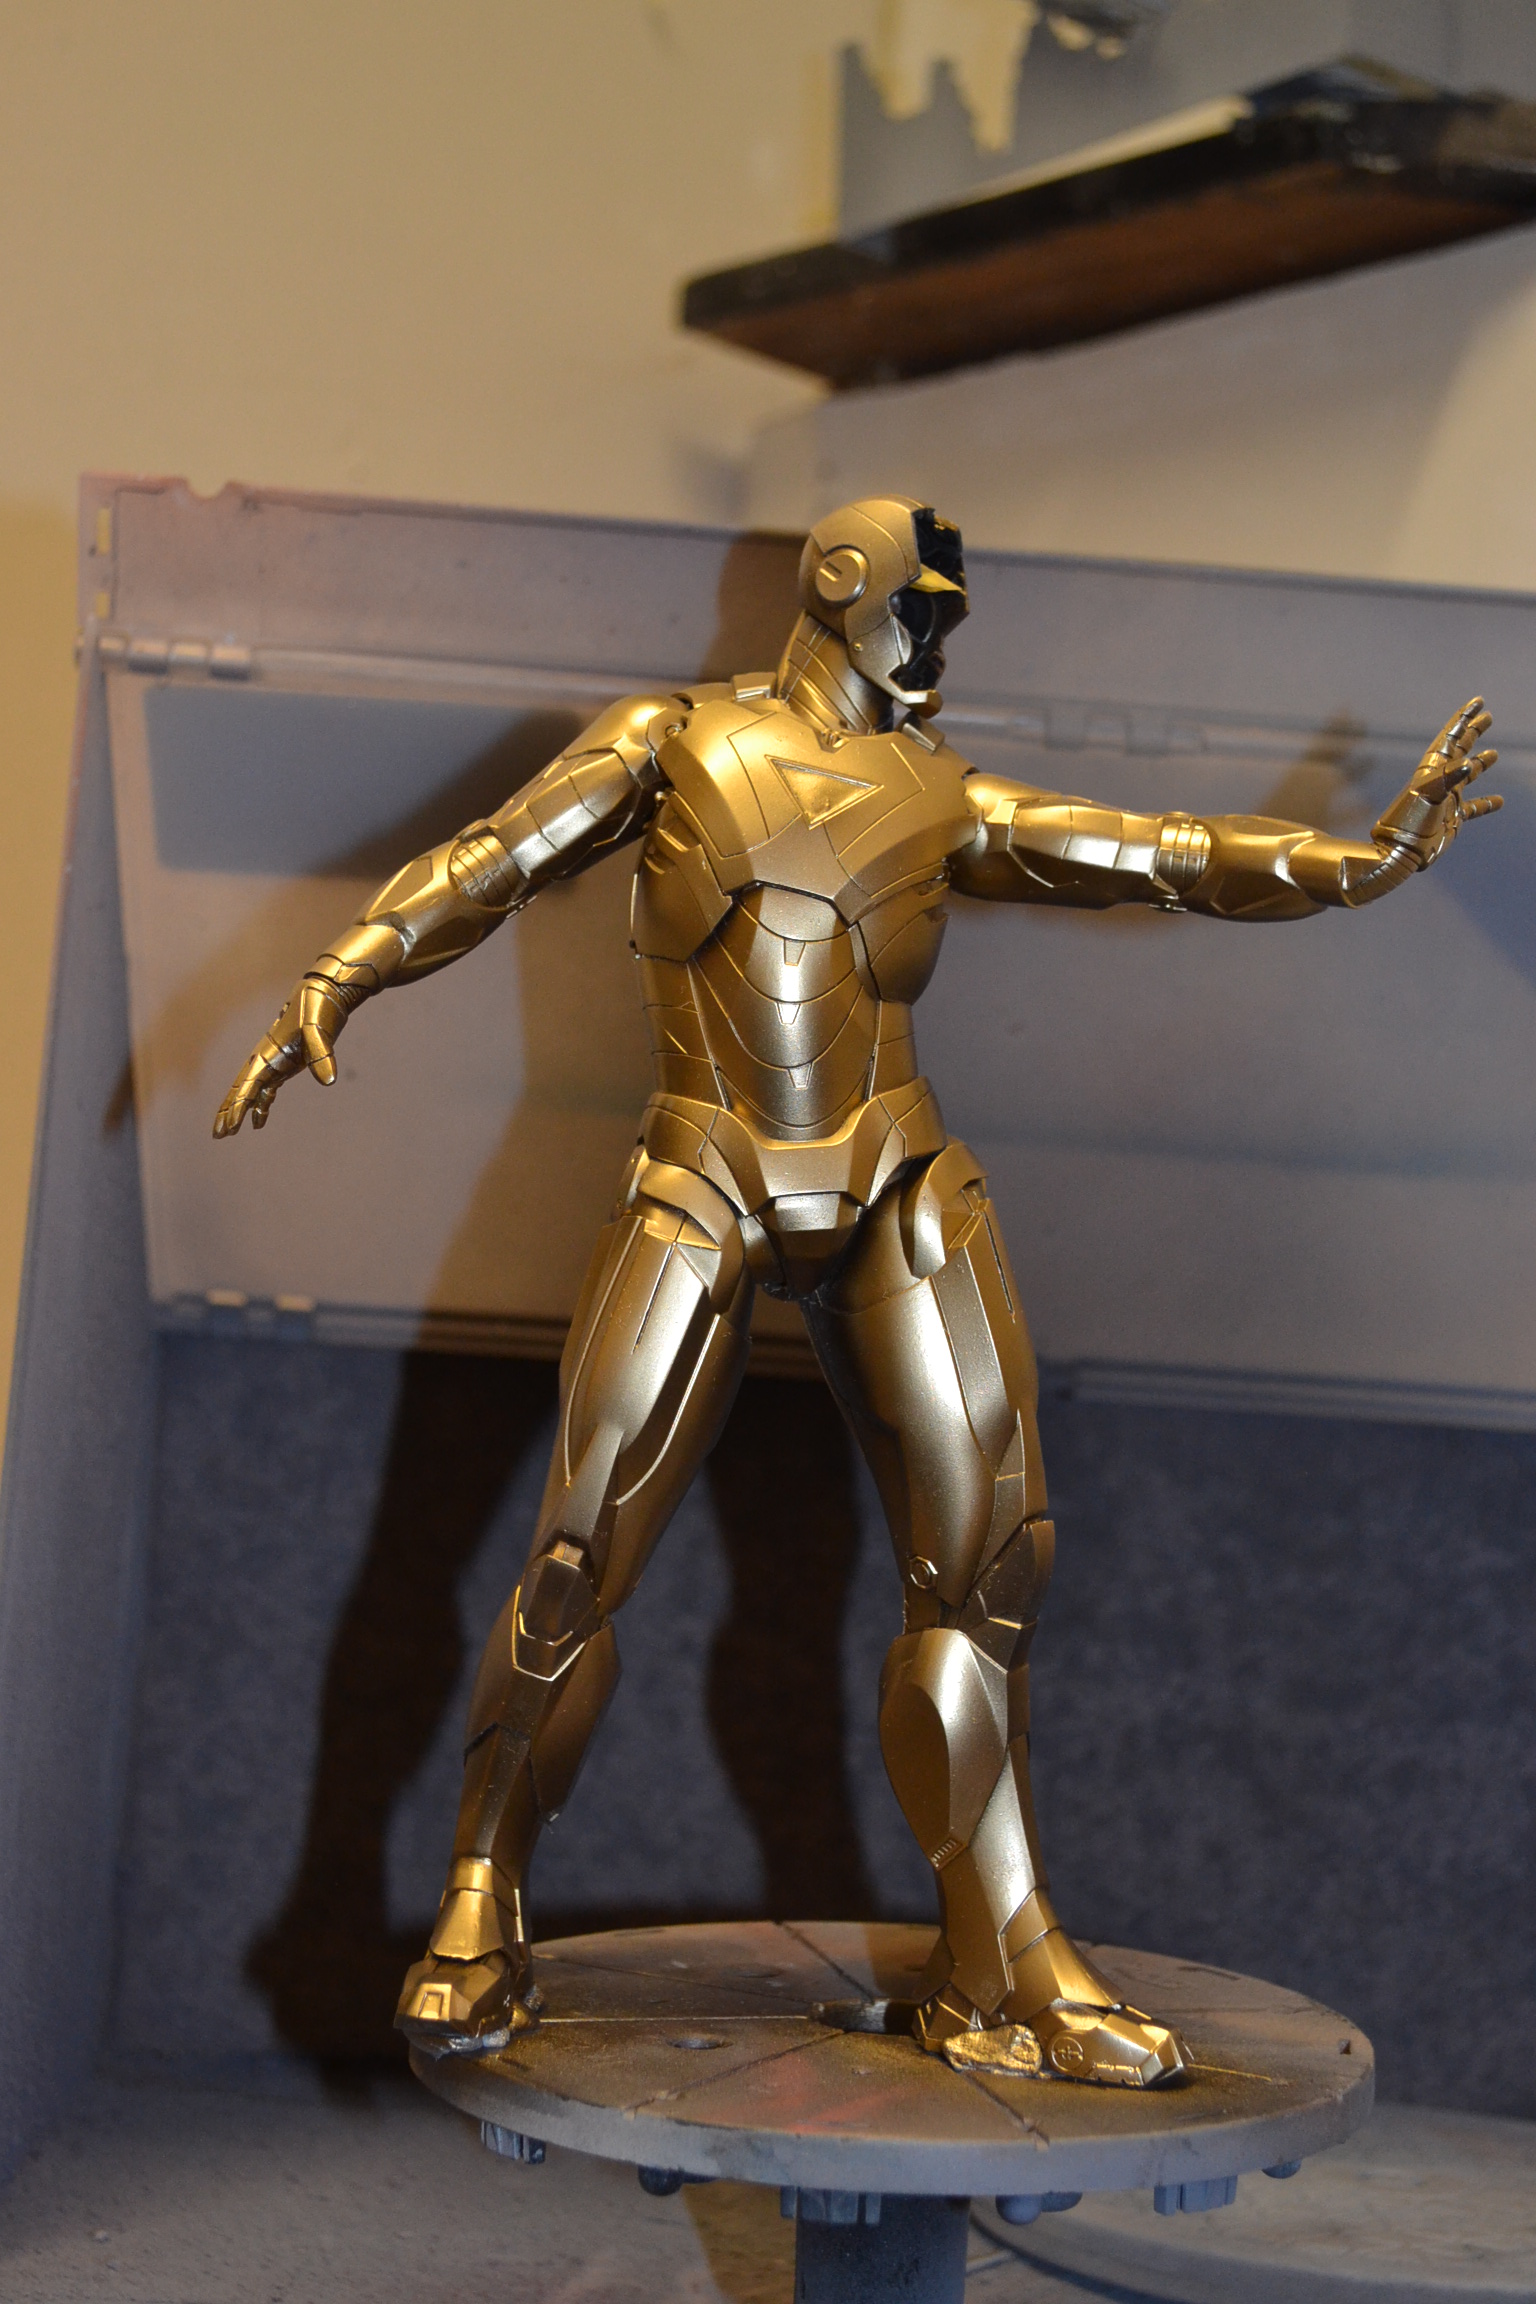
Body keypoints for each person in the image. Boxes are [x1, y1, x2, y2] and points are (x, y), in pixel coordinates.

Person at [215, 497, 1500, 2087]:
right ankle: (482, 1903)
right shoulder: (675, 742)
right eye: (922, 605)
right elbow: (497, 860)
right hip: (704, 1171)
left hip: (896, 1177)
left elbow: (1154, 855)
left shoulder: (937, 793)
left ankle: (1003, 1962)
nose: (938, 637)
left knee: (989, 1576)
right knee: (577, 1558)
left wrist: (1361, 862)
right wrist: (345, 970)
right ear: (843, 586)